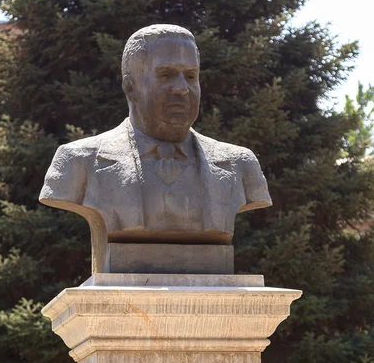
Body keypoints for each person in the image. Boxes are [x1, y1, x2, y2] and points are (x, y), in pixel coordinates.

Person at [39, 24, 272, 272]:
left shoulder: (239, 164)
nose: (182, 88)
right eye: (166, 74)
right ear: (130, 86)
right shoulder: (79, 161)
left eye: (191, 76)